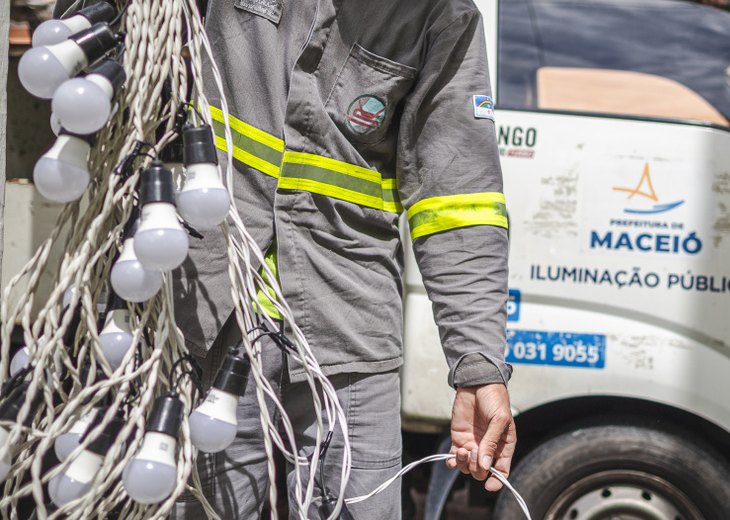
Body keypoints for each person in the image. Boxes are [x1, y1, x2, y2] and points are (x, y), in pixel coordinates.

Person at [170, 0, 516, 517]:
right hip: (208, 309)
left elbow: (459, 203)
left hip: (348, 332)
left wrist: (479, 367)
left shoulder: (443, 17)